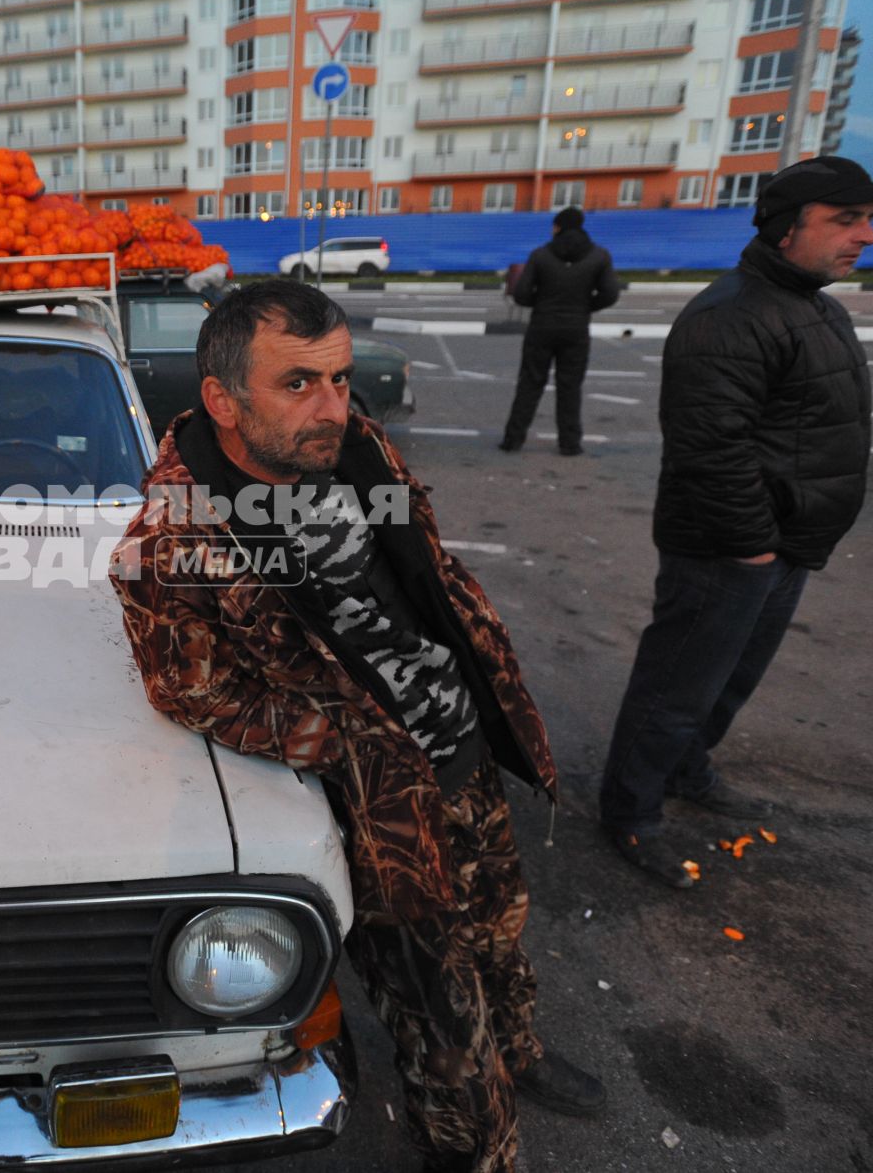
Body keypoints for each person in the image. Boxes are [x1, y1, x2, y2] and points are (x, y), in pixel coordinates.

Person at [110, 279, 604, 1173]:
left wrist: (476, 666)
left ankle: (520, 1050)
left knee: (499, 926)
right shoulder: (173, 539)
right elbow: (193, 692)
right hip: (381, 814)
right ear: (221, 399)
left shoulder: (356, 449)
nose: (332, 406)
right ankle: (475, 1146)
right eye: (298, 383)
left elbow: (424, 565)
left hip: (461, 749)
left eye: (338, 379)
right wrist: (344, 744)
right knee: (438, 1019)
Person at [598, 157, 873, 887]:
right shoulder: (731, 316)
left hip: (785, 541)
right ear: (784, 228)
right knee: (676, 684)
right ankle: (630, 811)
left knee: (730, 679)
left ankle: (686, 768)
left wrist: (786, 544)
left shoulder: (814, 303)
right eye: (845, 220)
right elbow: (711, 447)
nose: (867, 234)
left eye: (869, 218)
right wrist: (752, 549)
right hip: (728, 548)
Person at [501, 207, 621, 456]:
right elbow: (610, 293)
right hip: (576, 328)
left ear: (557, 227)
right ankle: (569, 443)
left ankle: (513, 439)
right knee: (570, 386)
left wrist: (542, 303)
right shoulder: (599, 256)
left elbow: (522, 294)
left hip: (542, 326)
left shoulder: (541, 255)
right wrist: (585, 306)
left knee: (530, 383)